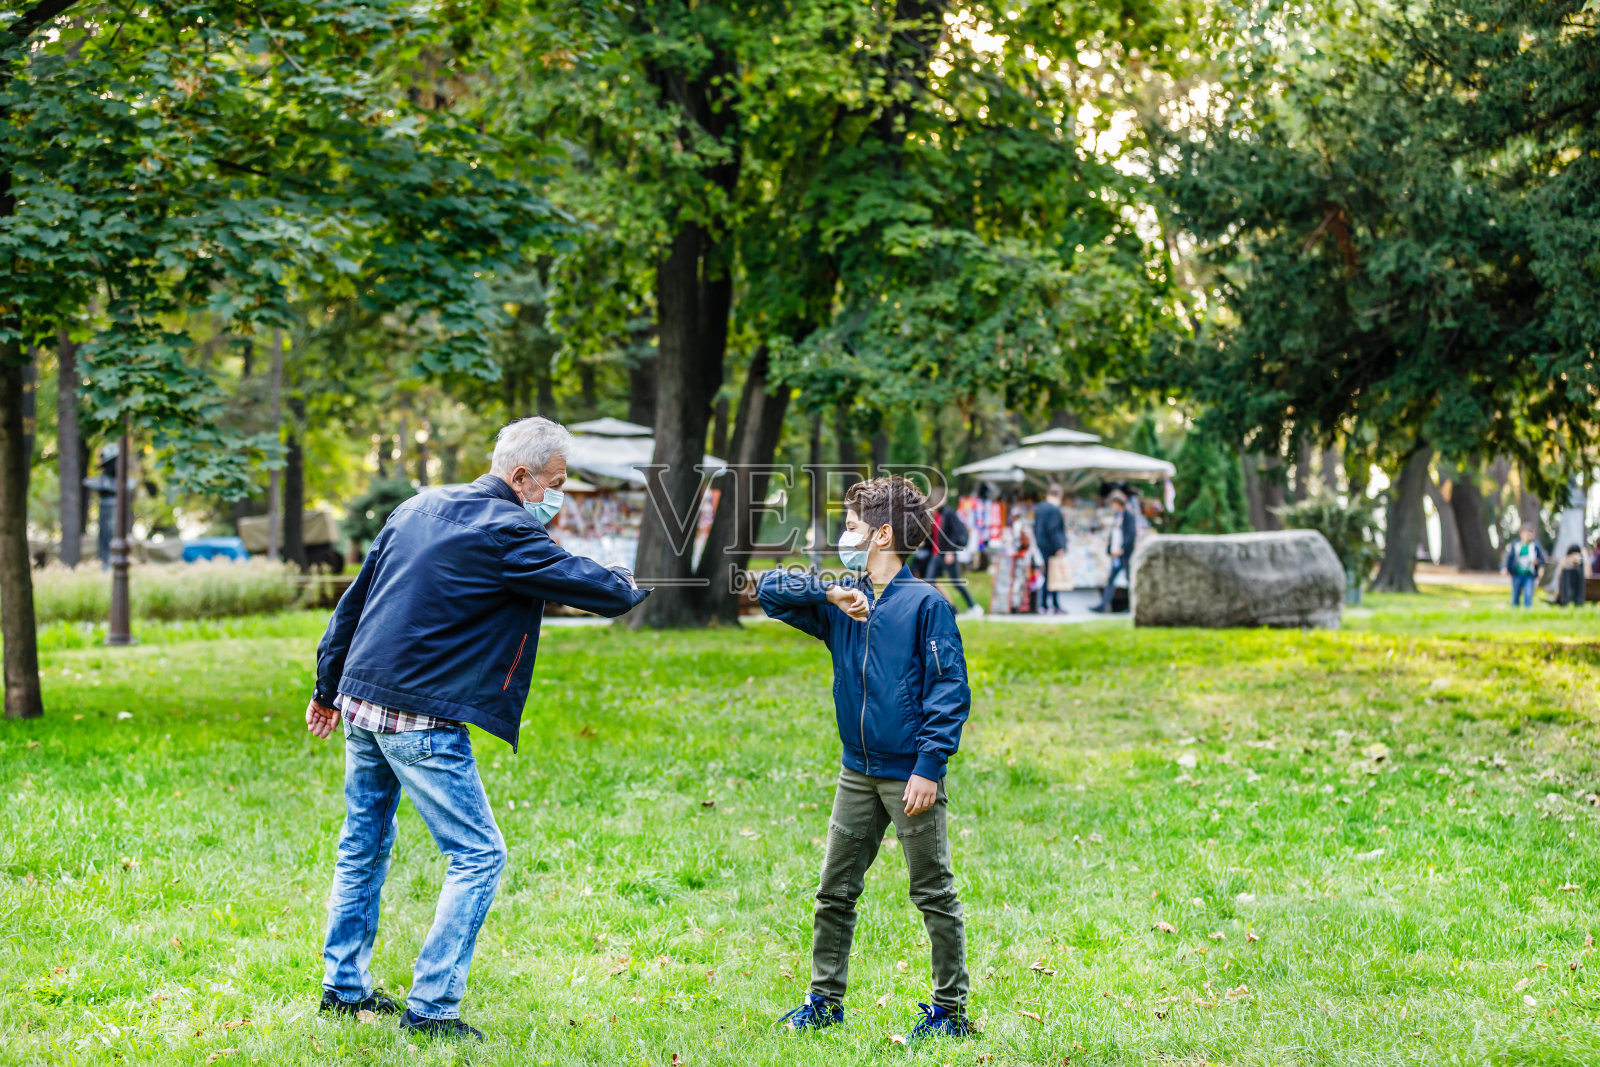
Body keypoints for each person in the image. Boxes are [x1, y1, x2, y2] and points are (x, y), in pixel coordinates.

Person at [303, 417, 650, 1042]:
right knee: (479, 854)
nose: (558, 494)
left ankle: (342, 987)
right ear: (520, 477)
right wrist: (632, 583)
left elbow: (351, 602)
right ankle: (432, 1007)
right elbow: (594, 587)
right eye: (556, 483)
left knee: (362, 844)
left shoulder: (417, 506)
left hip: (362, 703)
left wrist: (327, 688)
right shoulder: (508, 528)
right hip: (419, 718)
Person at [757, 476, 973, 1044]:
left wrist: (929, 767)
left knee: (933, 891)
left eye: (851, 526)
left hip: (909, 777)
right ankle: (824, 1002)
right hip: (857, 772)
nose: (842, 535)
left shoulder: (927, 606)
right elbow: (770, 591)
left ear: (881, 533)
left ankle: (950, 1011)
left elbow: (949, 692)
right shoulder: (842, 601)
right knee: (834, 892)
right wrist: (827, 594)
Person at [924, 487, 982, 617]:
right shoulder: (935, 514)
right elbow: (934, 535)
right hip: (936, 555)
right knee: (929, 581)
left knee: (956, 583)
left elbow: (955, 534)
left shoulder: (949, 514)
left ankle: (974, 606)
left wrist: (950, 551)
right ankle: (936, 610)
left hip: (947, 554)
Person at [1089, 490, 1137, 614]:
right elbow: (1115, 534)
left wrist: (1121, 549)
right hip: (1116, 554)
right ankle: (1105, 604)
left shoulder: (1129, 515)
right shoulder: (1118, 516)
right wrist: (1110, 548)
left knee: (1129, 580)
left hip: (1124, 554)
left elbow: (1130, 535)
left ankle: (1133, 605)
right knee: (1111, 580)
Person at [1032, 484, 1067, 614]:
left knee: (1047, 575)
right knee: (1052, 576)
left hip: (1041, 545)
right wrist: (1060, 547)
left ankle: (1045, 604)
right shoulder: (1054, 510)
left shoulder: (1039, 508)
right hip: (1051, 547)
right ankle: (1052, 604)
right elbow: (1054, 530)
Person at [1502, 521, 1547, 608]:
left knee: (1528, 594)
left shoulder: (1535, 546)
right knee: (1515, 596)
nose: (1529, 536)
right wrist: (1505, 567)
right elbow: (1508, 558)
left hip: (1529, 575)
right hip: (1517, 574)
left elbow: (1543, 559)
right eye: (1527, 534)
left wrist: (1537, 562)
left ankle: (1527, 612)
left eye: (1531, 534)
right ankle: (1515, 612)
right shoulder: (1515, 545)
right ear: (1521, 533)